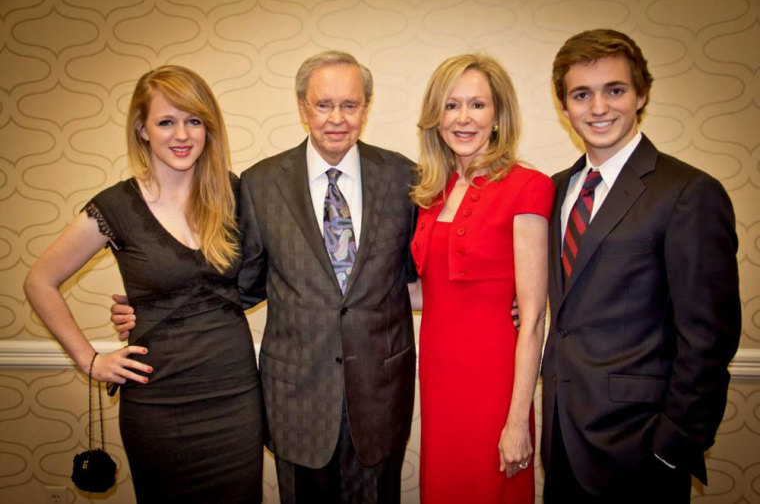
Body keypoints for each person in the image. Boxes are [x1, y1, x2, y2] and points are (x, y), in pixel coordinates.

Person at [112, 51, 418, 504]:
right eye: (322, 104)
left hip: (380, 393)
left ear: (366, 108)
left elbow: (423, 271)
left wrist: (498, 300)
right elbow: (236, 284)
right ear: (302, 108)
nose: (336, 118)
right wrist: (155, 307)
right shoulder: (259, 184)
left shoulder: (405, 177)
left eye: (350, 105)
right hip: (296, 396)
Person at [24, 65, 264, 503]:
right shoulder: (116, 206)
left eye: (194, 120)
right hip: (159, 404)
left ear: (209, 129)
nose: (182, 134)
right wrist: (91, 360)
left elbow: (263, 277)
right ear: (142, 129)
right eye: (166, 121)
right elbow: (40, 280)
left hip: (235, 398)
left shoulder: (233, 194)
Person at [541, 29, 742, 503]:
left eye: (615, 90)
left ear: (641, 95)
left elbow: (709, 338)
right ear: (564, 107)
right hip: (562, 435)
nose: (598, 108)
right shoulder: (551, 192)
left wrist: (674, 447)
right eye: (581, 95)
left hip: (641, 447)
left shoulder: (688, 193)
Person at [410, 53, 554, 503]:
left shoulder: (529, 186)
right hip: (439, 375)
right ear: (437, 117)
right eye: (451, 106)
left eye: (477, 105)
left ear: (498, 116)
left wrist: (517, 419)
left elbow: (531, 316)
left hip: (495, 379)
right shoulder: (429, 192)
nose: (463, 118)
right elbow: (427, 291)